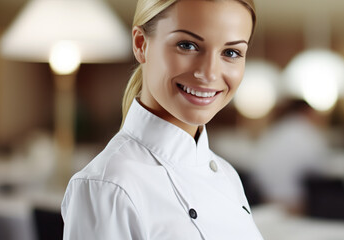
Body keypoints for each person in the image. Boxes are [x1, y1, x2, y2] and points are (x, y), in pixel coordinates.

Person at [61, 0, 262, 239]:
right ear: (140, 44)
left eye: (231, 52)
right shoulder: (107, 186)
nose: (209, 73)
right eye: (187, 45)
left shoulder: (228, 174)